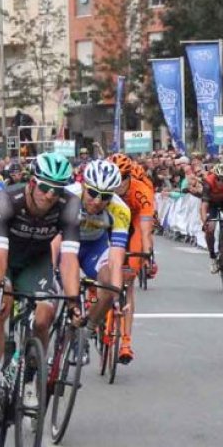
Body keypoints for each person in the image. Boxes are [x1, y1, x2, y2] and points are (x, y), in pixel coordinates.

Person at [0, 153, 82, 419]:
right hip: (0, 253)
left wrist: (72, 300)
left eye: (56, 190)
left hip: (36, 259)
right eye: (45, 187)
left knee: (46, 314)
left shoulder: (69, 205)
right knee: (2, 303)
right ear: (32, 183)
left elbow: (69, 259)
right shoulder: (8, 200)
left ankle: (30, 379)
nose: (49, 195)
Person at [66, 159, 129, 332]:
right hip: (66, 244)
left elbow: (116, 259)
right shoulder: (68, 196)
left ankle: (88, 328)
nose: (97, 201)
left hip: (94, 247)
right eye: (93, 193)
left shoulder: (120, 209)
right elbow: (53, 240)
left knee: (108, 285)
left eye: (106, 196)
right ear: (84, 185)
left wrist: (116, 296)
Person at [110, 153, 156, 364]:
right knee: (105, 270)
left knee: (128, 279)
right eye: (115, 178)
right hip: (110, 221)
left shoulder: (142, 190)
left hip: (134, 222)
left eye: (123, 178)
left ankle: (126, 342)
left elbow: (145, 231)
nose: (118, 184)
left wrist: (148, 256)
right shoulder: (105, 189)